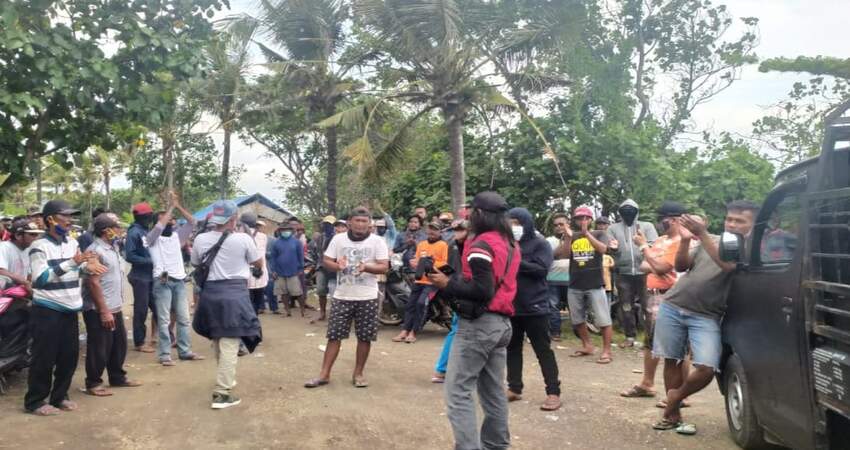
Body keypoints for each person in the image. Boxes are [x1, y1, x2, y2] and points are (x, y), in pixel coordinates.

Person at [652, 200, 758, 432]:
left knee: (707, 367)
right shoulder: (713, 240)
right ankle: (673, 416)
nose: (732, 224)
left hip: (707, 315)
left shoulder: (750, 250)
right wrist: (687, 240)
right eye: (729, 219)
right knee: (672, 359)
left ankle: (674, 398)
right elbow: (680, 267)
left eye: (740, 221)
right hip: (673, 306)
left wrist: (701, 233)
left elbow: (727, 265)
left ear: (754, 224)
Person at [428, 191, 520, 450]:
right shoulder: (511, 244)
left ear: (478, 215)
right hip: (502, 325)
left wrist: (447, 283)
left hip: (480, 325)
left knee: (457, 392)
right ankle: (496, 445)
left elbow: (482, 290)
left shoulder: (482, 245)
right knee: (493, 393)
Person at [24, 200, 108, 416]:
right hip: (48, 310)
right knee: (44, 357)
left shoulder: (71, 243)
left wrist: (87, 268)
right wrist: (73, 263)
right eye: (65, 216)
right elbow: (40, 280)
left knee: (68, 358)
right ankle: (35, 401)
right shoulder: (38, 246)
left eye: (72, 216)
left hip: (70, 309)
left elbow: (74, 272)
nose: (70, 220)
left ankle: (60, 396)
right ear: (50, 219)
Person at [304, 206, 389, 389]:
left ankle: (358, 373)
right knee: (334, 336)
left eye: (364, 221)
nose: (360, 224)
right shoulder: (338, 239)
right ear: (349, 222)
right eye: (357, 221)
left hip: (367, 296)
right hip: (342, 296)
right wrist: (336, 266)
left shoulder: (377, 242)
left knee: (364, 337)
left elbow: (384, 266)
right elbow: (326, 260)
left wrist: (366, 267)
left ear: (369, 224)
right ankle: (324, 374)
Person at [191, 200, 263, 409]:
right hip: (234, 293)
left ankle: (226, 381)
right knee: (230, 342)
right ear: (233, 220)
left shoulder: (201, 239)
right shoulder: (243, 239)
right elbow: (258, 263)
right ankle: (222, 393)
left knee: (218, 337)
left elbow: (196, 263)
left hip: (210, 294)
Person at [620, 201, 690, 401]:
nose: (660, 224)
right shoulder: (661, 240)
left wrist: (644, 248)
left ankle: (681, 394)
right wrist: (654, 260)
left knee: (677, 346)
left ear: (675, 220)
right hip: (653, 295)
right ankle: (647, 384)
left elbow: (660, 267)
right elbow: (645, 266)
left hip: (672, 295)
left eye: (663, 220)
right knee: (650, 342)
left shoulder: (683, 242)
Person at [81, 213, 142, 396]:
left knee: (118, 344)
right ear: (107, 231)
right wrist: (104, 311)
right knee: (99, 347)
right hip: (99, 308)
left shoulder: (112, 248)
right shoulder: (95, 251)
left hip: (113, 306)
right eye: (117, 227)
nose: (120, 230)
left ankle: (117, 377)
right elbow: (93, 282)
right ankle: (93, 383)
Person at [506, 208, 561, 411]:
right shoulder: (507, 243)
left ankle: (553, 392)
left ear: (526, 223)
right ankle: (514, 388)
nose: (513, 227)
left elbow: (541, 270)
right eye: (510, 223)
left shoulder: (540, 243)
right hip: (512, 305)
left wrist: (516, 260)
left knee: (542, 350)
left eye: (517, 223)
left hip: (536, 306)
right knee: (512, 349)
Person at [148, 193, 203, 366]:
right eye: (166, 219)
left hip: (179, 281)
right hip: (162, 282)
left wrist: (177, 206)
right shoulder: (151, 238)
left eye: (171, 219)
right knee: (164, 320)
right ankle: (165, 354)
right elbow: (158, 228)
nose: (169, 221)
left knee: (184, 319)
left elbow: (193, 222)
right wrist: (170, 208)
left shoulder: (177, 237)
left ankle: (184, 351)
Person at [556, 206, 615, 364]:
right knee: (577, 319)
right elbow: (564, 254)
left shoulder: (599, 233)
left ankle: (607, 351)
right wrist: (568, 237)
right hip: (575, 283)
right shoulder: (572, 236)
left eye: (585, 218)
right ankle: (587, 346)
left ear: (590, 220)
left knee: (603, 319)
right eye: (579, 218)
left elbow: (603, 249)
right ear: (574, 220)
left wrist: (586, 234)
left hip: (595, 283)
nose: (582, 221)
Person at [607, 199, 658, 347]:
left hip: (645, 272)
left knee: (648, 307)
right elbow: (609, 248)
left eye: (631, 210)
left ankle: (651, 339)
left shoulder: (647, 226)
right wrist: (613, 249)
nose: (628, 213)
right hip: (623, 272)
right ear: (620, 213)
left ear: (636, 211)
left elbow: (655, 245)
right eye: (624, 211)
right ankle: (629, 337)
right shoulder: (613, 228)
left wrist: (643, 244)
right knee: (626, 306)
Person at [392, 221, 448, 344]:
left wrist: (428, 263)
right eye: (430, 229)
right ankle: (405, 330)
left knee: (421, 303)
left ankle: (414, 332)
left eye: (435, 229)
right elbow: (416, 259)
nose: (432, 231)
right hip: (419, 279)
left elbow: (444, 263)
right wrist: (414, 262)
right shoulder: (422, 244)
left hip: (433, 282)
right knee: (410, 304)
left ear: (440, 231)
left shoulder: (443, 245)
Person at [432, 219, 468, 384]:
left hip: (467, 290)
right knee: (457, 330)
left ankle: (445, 369)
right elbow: (452, 271)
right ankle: (443, 369)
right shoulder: (453, 245)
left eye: (462, 229)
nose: (458, 232)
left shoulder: (474, 245)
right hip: (461, 292)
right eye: (456, 229)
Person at [125, 202, 158, 353]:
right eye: (147, 216)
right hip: (140, 277)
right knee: (141, 310)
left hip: (152, 276)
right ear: (140, 217)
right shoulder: (134, 233)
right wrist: (151, 261)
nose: (149, 218)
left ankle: (156, 336)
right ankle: (139, 342)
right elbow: (130, 256)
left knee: (158, 307)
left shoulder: (147, 230)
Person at [269, 222, 306, 317]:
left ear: (291, 231)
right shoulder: (276, 243)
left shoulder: (297, 242)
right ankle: (288, 311)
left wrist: (301, 268)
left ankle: (303, 311)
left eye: (287, 230)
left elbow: (301, 256)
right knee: (283, 293)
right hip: (279, 272)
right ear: (280, 231)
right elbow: (273, 257)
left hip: (294, 271)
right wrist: (273, 270)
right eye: (283, 230)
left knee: (298, 293)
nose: (285, 231)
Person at [545, 213, 570, 341]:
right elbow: (550, 257)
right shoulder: (548, 241)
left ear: (568, 224)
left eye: (562, 224)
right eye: (556, 225)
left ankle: (580, 332)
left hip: (571, 279)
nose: (559, 227)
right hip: (552, 279)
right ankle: (555, 332)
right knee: (553, 306)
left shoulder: (576, 238)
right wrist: (567, 241)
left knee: (575, 306)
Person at [307, 216, 337, 321]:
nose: (327, 226)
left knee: (335, 292)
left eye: (329, 225)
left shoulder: (338, 237)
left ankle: (335, 314)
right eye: (325, 224)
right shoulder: (320, 237)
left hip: (334, 268)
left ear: (334, 226)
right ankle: (322, 312)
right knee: (320, 290)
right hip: (322, 267)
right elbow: (316, 252)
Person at [0, 218, 43, 292]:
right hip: (5, 294)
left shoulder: (29, 249)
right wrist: (24, 282)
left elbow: (29, 274)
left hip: (22, 292)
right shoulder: (4, 247)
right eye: (32, 234)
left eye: (37, 235)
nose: (36, 238)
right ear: (18, 235)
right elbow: (1, 271)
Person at [240, 214, 270, 315]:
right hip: (260, 273)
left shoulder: (239, 236)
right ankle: (255, 317)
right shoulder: (263, 237)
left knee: (248, 300)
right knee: (258, 298)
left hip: (245, 274)